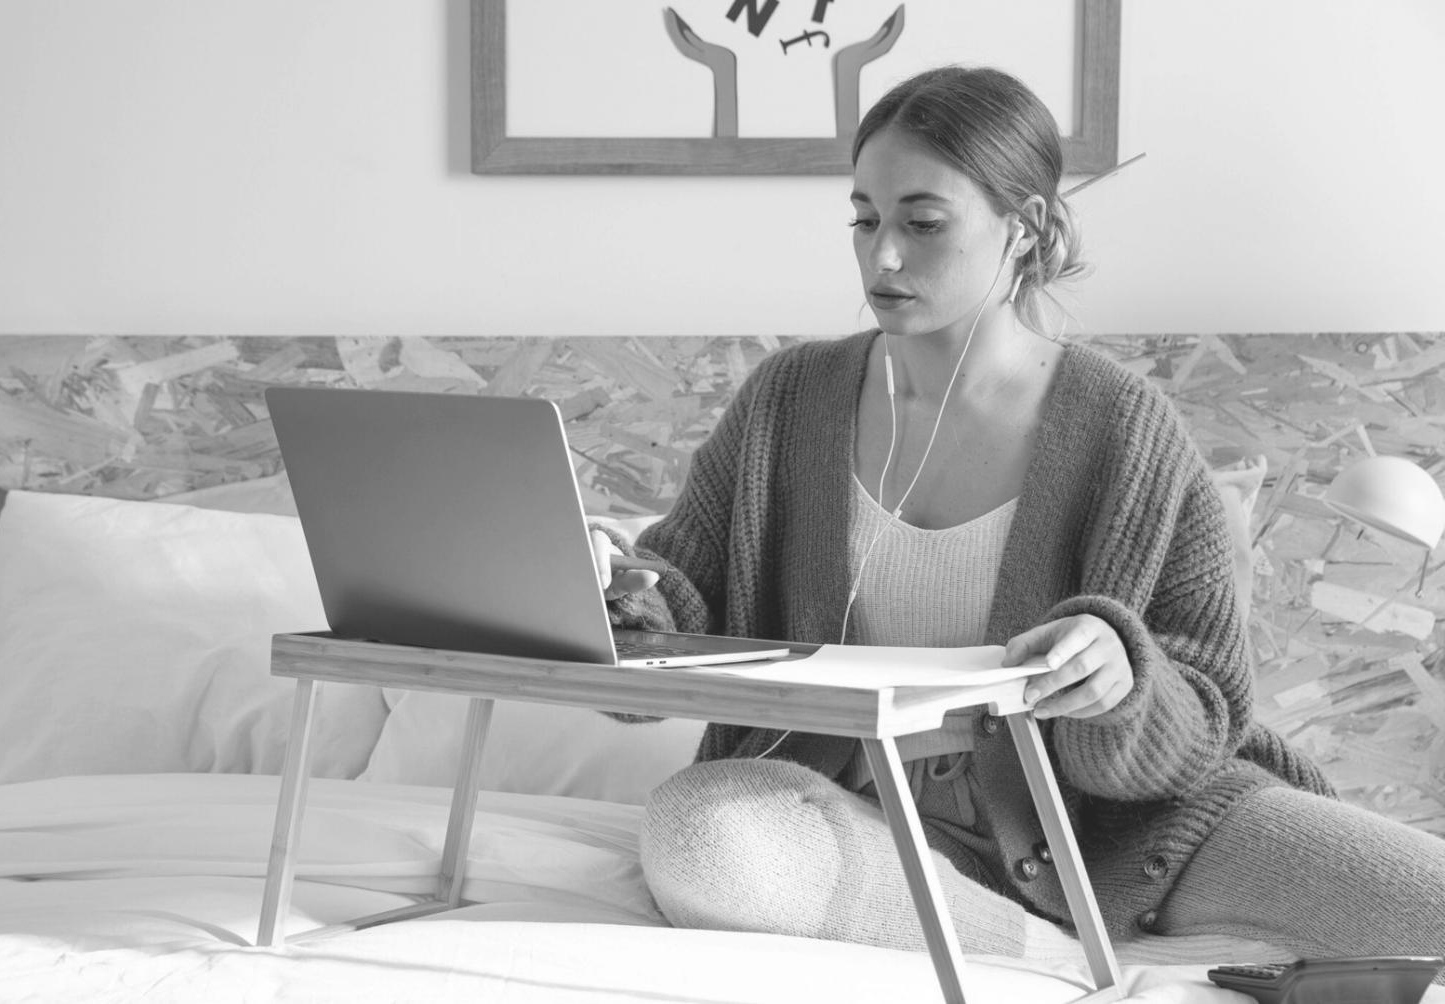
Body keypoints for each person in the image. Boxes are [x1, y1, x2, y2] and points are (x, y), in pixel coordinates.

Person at [590, 65, 1445, 970]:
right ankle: (1042, 957)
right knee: (702, 836)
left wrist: (1123, 678)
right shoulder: (784, 403)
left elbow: (1203, 712)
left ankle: (1028, 937)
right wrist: (615, 597)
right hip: (854, 810)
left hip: (1125, 830)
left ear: (1025, 227)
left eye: (923, 224)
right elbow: (681, 605)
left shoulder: (1122, 425)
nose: (882, 256)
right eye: (865, 219)